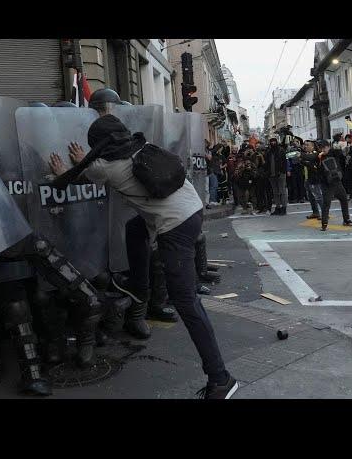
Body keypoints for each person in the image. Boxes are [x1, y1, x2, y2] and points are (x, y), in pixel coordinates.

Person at [48, 89, 238, 399]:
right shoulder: (144, 146)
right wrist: (85, 164)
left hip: (174, 228)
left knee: (186, 302)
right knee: (135, 227)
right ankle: (139, 287)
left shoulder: (108, 168)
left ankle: (220, 378)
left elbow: (74, 177)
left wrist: (68, 169)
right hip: (192, 211)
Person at [317, 140, 352, 231]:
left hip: (337, 182)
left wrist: (342, 147)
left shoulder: (334, 153)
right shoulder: (319, 157)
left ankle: (346, 220)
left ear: (328, 146)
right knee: (326, 204)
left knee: (344, 200)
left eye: (324, 147)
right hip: (326, 184)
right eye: (321, 148)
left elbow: (342, 152)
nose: (323, 149)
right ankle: (324, 224)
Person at [263, 136, 289, 215]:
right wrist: (267, 172)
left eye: (274, 141)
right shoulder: (269, 152)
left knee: (282, 191)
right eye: (271, 142)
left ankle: (284, 208)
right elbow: (266, 163)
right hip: (271, 175)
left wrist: (284, 171)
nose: (273, 143)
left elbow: (284, 162)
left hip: (280, 174)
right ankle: (277, 207)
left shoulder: (281, 150)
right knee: (275, 192)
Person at [300, 140, 323, 220]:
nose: (305, 146)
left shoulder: (316, 154)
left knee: (318, 197)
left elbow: (310, 161)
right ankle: (315, 212)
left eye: (307, 145)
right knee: (311, 197)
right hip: (307, 178)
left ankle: (324, 213)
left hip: (315, 179)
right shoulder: (306, 155)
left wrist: (302, 159)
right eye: (304, 145)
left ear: (312, 146)